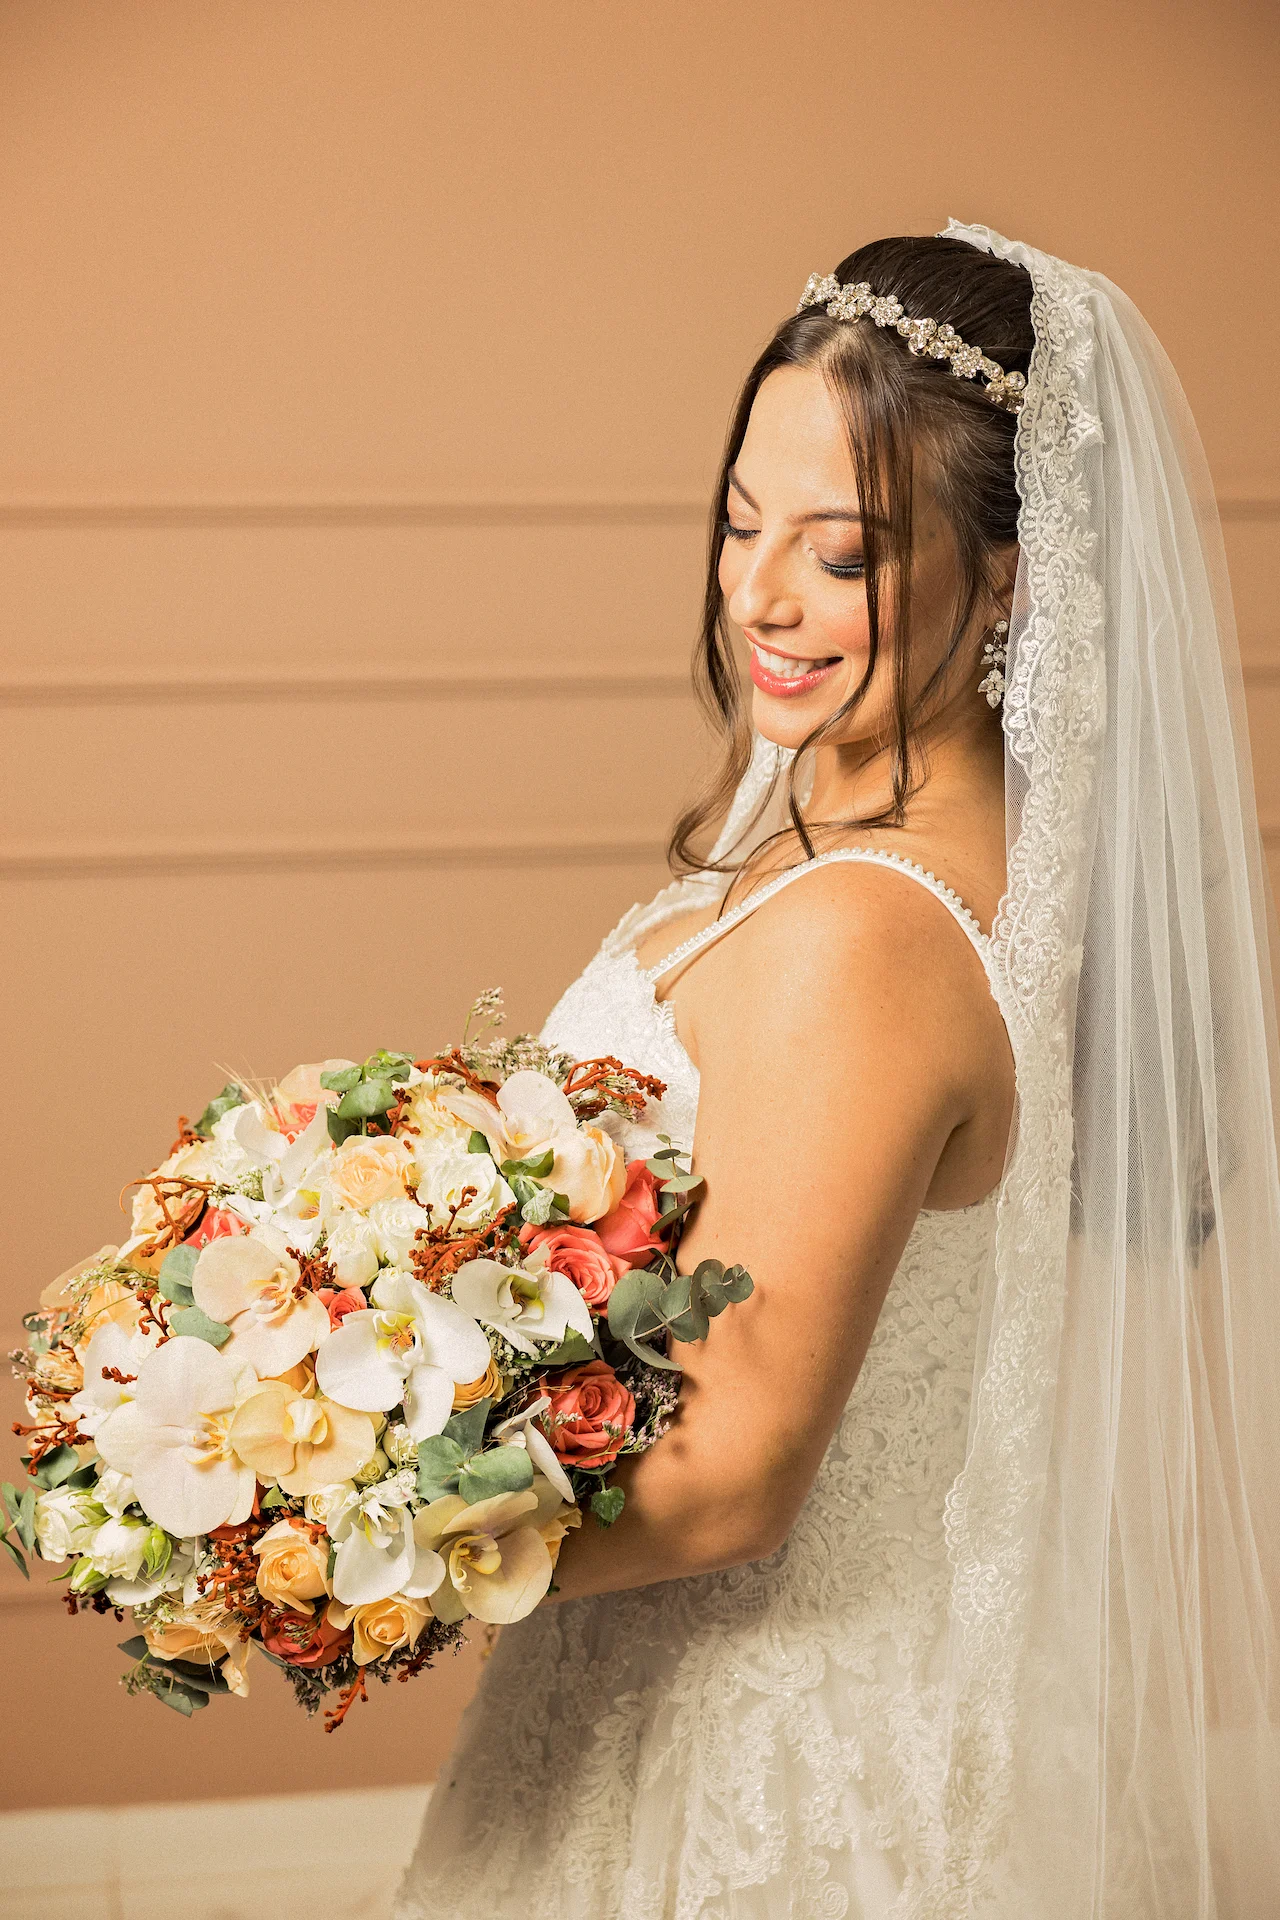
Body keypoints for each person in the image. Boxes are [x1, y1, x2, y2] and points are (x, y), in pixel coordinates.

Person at [395, 224, 1280, 1918]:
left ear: (1010, 572)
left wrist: (346, 1547)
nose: (763, 598)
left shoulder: (866, 931)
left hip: (755, 1746)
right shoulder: (921, 844)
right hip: (803, 1692)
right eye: (740, 524)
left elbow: (734, 1476)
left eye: (846, 553)